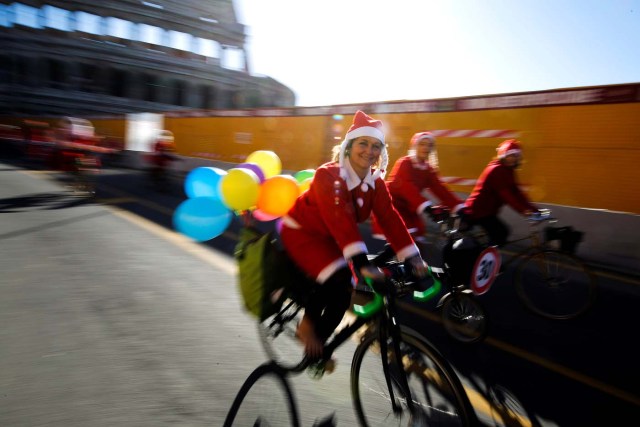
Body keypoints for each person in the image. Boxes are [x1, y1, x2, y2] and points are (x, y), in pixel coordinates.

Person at [280, 110, 429, 358]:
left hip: (333, 237)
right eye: (363, 143)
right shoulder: (327, 175)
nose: (369, 151)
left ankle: (319, 349)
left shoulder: (376, 183)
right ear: (349, 146)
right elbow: (340, 218)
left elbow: (390, 218)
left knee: (343, 295)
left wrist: (413, 257)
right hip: (304, 233)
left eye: (376, 146)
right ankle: (306, 327)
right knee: (338, 278)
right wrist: (360, 262)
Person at [374, 131, 466, 248]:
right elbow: (407, 187)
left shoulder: (428, 169)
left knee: (417, 238)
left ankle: (400, 261)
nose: (426, 148)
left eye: (429, 145)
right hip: (392, 205)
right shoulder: (405, 163)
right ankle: (379, 263)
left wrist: (458, 207)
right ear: (415, 146)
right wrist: (426, 207)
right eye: (422, 144)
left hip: (408, 208)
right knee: (407, 239)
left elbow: (440, 189)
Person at [462, 139, 539, 246]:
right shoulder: (496, 170)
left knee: (500, 235)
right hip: (478, 211)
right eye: (510, 156)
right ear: (502, 156)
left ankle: (489, 257)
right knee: (501, 233)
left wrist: (535, 210)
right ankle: (485, 260)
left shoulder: (508, 170)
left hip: (488, 212)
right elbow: (506, 195)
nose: (513, 159)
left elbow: (517, 193)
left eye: (516, 156)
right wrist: (524, 211)